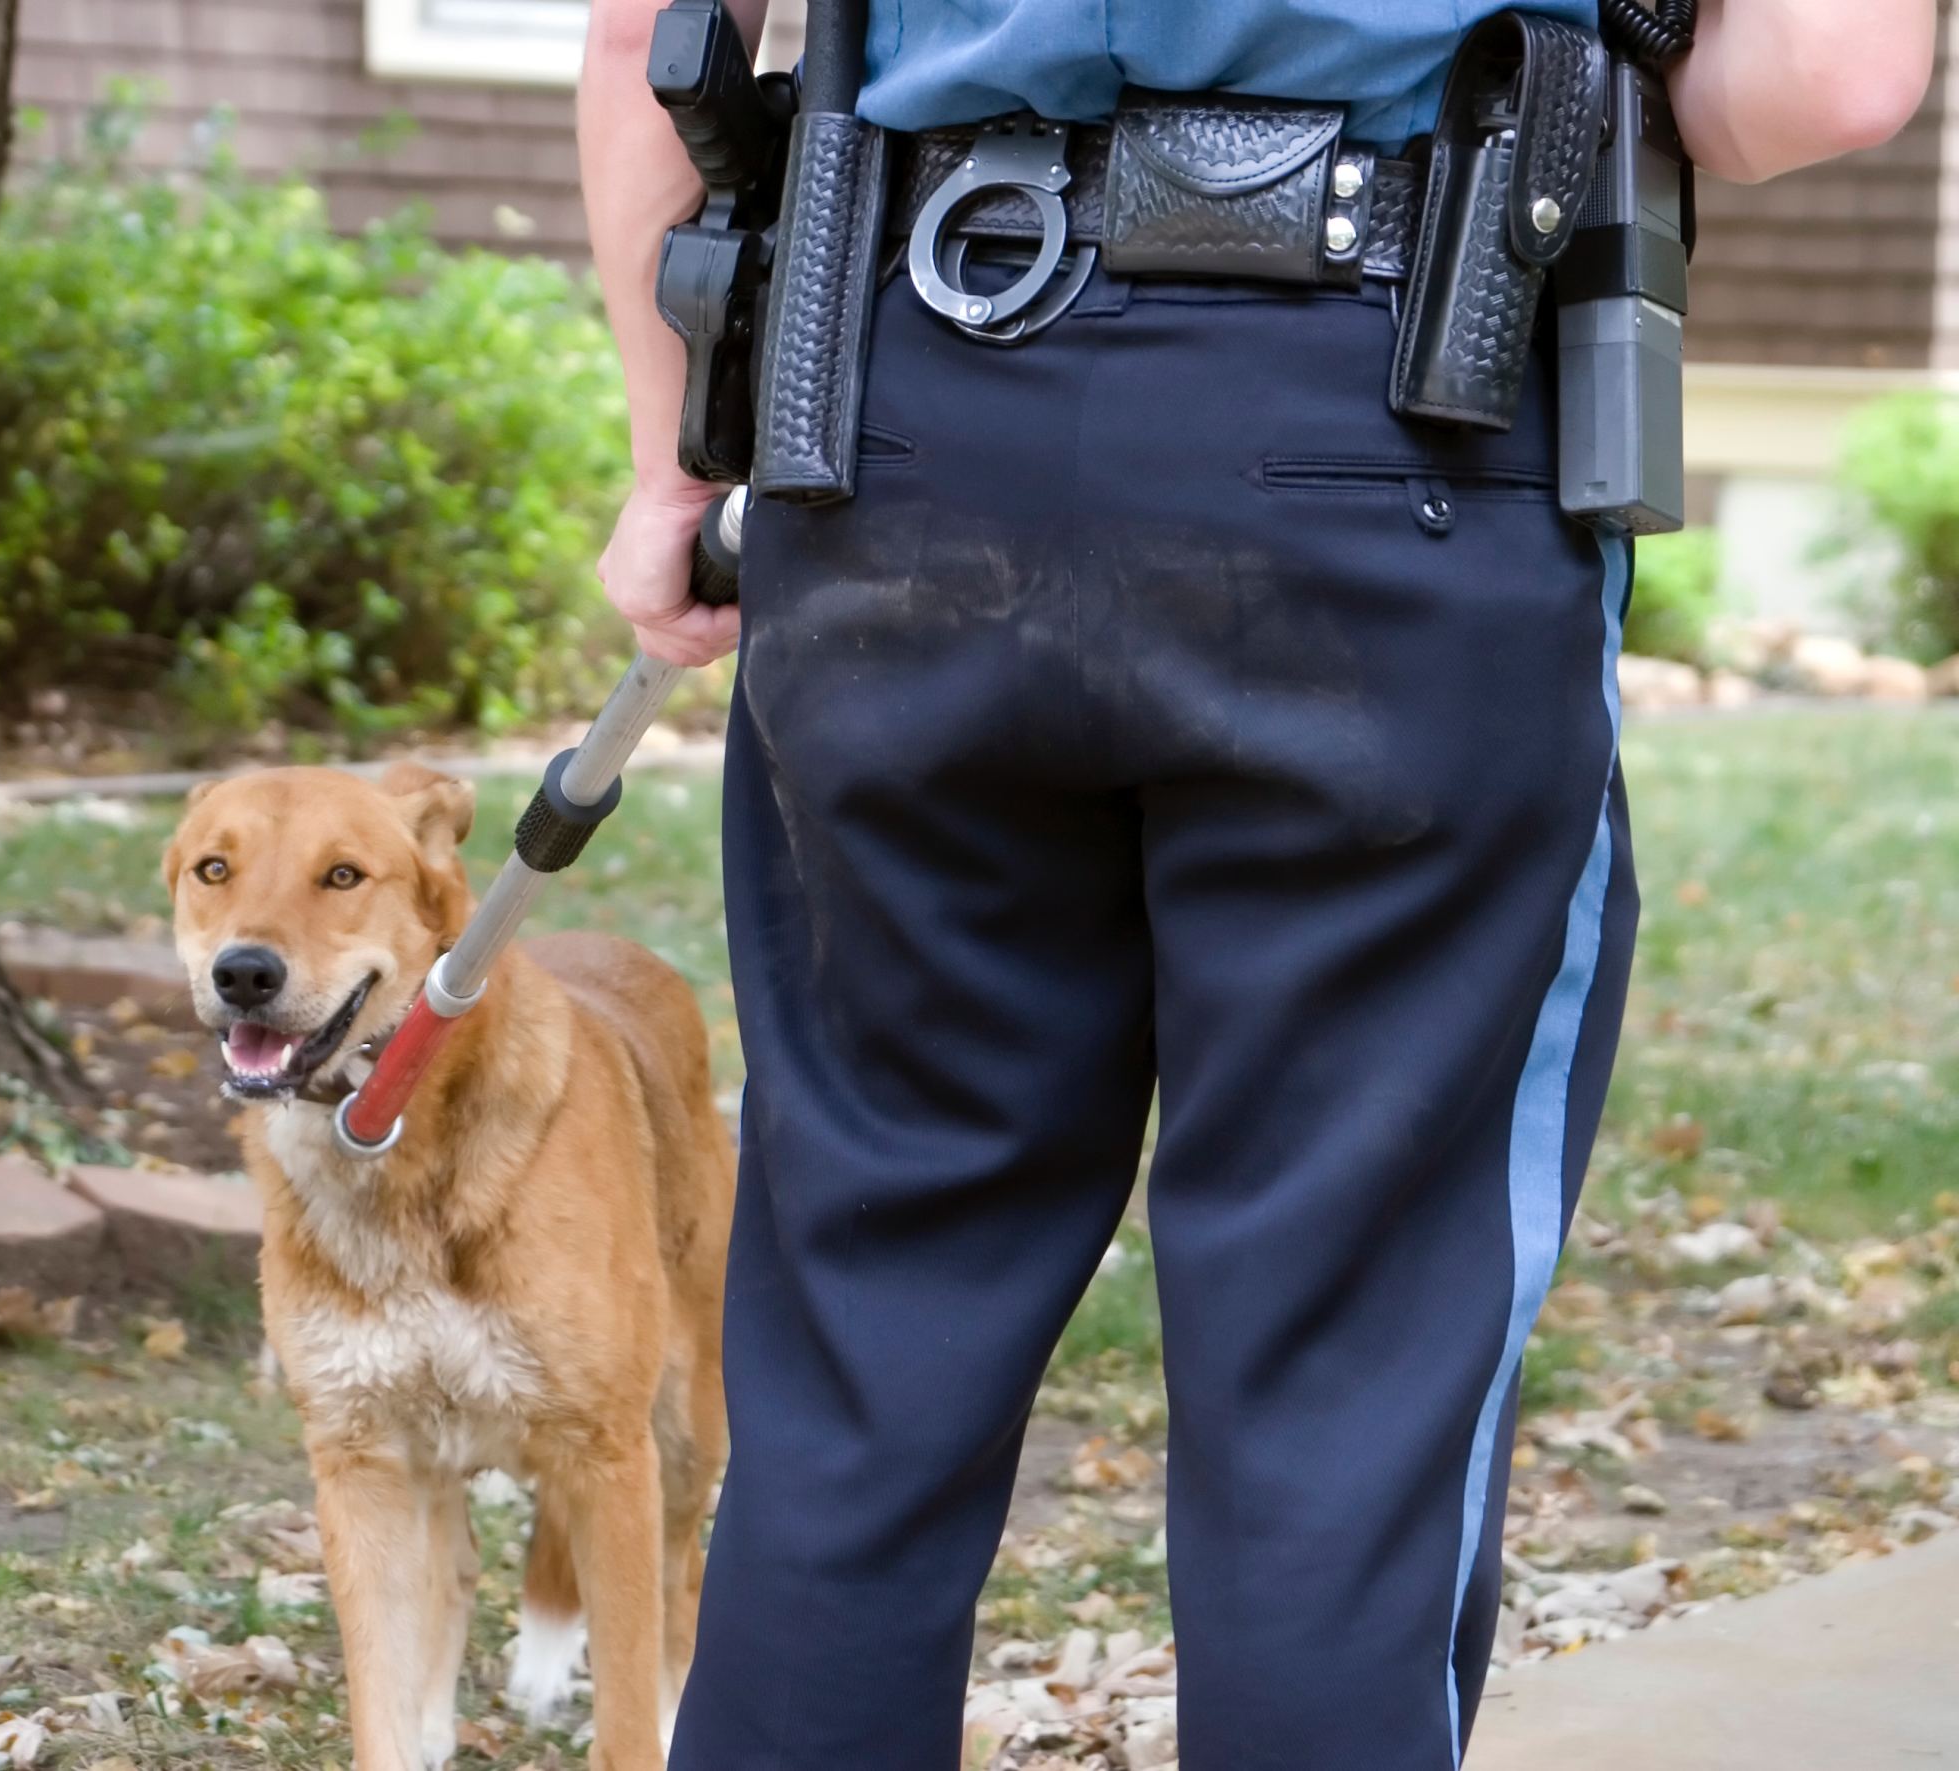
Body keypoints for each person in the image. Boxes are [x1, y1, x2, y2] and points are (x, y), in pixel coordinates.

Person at [574, 2, 1937, 1767]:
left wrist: (673, 462)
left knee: (864, 1342)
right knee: (1343, 1364)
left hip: (911, 411)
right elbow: (1828, 85)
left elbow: (645, 36)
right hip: (1391, 428)